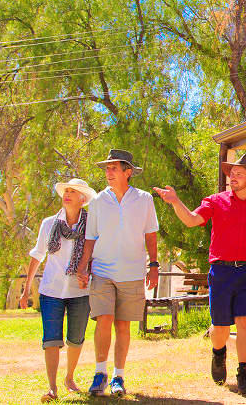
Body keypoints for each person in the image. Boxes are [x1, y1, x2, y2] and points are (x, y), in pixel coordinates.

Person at [153, 153, 246, 395]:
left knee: (245, 322)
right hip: (221, 271)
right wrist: (175, 201)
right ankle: (219, 353)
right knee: (220, 326)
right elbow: (192, 220)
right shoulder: (215, 201)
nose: (232, 177)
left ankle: (244, 372)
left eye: (239, 174)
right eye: (231, 173)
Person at [76, 149, 160, 397]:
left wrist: (153, 265)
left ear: (128, 172)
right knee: (104, 319)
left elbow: (151, 234)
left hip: (133, 272)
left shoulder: (144, 199)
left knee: (123, 326)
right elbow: (90, 238)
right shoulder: (98, 201)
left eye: (114, 168)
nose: (108, 172)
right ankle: (99, 373)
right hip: (102, 270)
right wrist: (84, 266)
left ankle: (118, 377)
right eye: (106, 168)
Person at [19, 178, 98, 402]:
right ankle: (52, 387)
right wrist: (26, 289)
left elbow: (97, 254)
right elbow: (37, 255)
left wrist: (88, 274)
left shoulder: (92, 225)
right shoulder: (49, 223)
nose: (68, 194)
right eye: (66, 191)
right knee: (51, 339)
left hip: (80, 291)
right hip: (51, 290)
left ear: (83, 200)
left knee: (76, 338)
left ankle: (69, 378)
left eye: (73, 192)